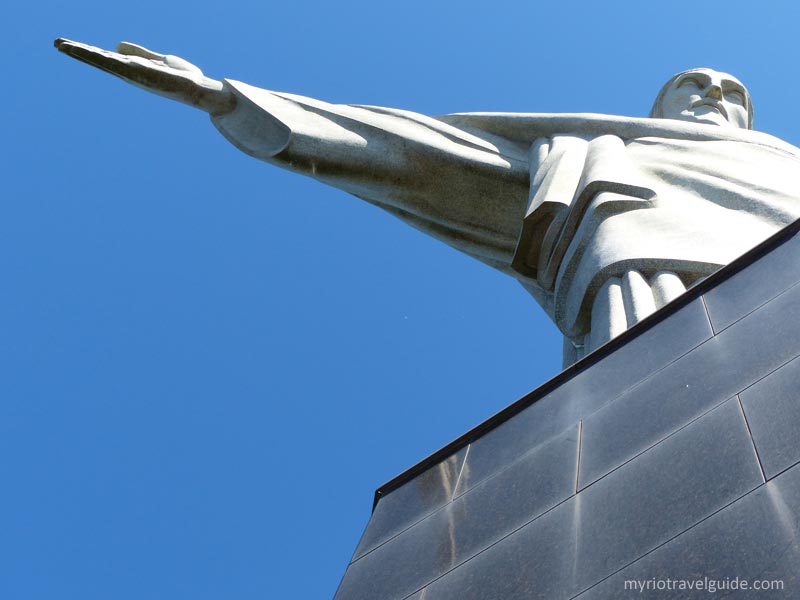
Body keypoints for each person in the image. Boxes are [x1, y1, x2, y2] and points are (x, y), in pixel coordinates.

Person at [55, 39, 800, 366]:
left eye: (733, 91)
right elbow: (419, 154)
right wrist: (227, 95)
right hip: (653, 285)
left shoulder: (787, 163)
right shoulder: (603, 149)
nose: (715, 96)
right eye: (695, 84)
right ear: (661, 104)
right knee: (662, 425)